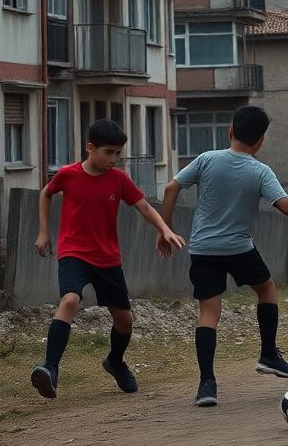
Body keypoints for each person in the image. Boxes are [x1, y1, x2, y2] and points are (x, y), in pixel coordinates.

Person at [159, 105, 288, 407]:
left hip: (203, 248)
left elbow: (171, 187)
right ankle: (269, 354)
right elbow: (285, 206)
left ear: (230, 131)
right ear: (260, 141)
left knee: (209, 312)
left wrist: (164, 230)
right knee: (267, 289)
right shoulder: (260, 171)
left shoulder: (207, 159)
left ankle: (207, 384)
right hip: (238, 248)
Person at [30, 119, 186, 400]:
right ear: (90, 148)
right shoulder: (68, 174)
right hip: (73, 252)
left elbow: (144, 206)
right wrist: (44, 232)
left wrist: (164, 229)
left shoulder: (118, 179)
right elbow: (46, 193)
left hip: (107, 258)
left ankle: (115, 361)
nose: (113, 159)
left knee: (125, 320)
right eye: (108, 152)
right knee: (70, 301)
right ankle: (50, 369)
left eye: (117, 153)